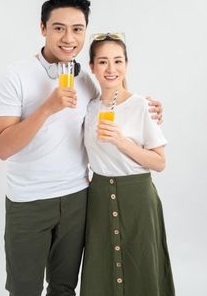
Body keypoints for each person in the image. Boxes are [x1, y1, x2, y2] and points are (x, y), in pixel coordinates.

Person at [0, 0, 164, 296]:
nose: (68, 37)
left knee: (64, 287)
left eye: (77, 29)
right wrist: (47, 107)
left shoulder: (85, 79)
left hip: (77, 198)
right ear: (43, 28)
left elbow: (111, 105)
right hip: (28, 201)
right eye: (58, 28)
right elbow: (2, 148)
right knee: (24, 288)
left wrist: (146, 108)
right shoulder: (16, 75)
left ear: (85, 31)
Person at [80, 33, 175, 296]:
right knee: (101, 268)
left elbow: (159, 162)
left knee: (142, 265)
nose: (111, 69)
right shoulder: (89, 108)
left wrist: (122, 142)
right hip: (98, 197)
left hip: (137, 199)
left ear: (127, 65)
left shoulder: (143, 106)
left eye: (118, 61)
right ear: (92, 67)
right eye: (103, 62)